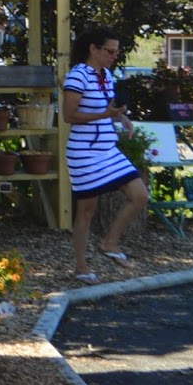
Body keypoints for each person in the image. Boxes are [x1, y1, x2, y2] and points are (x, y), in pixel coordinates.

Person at [62, 27, 149, 283]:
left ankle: (109, 242)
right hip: (84, 152)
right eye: (109, 51)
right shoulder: (77, 77)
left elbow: (108, 108)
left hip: (108, 149)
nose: (114, 56)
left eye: (116, 52)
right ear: (94, 49)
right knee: (86, 211)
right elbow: (69, 116)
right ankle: (81, 267)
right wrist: (106, 115)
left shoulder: (107, 76)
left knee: (140, 195)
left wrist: (122, 117)